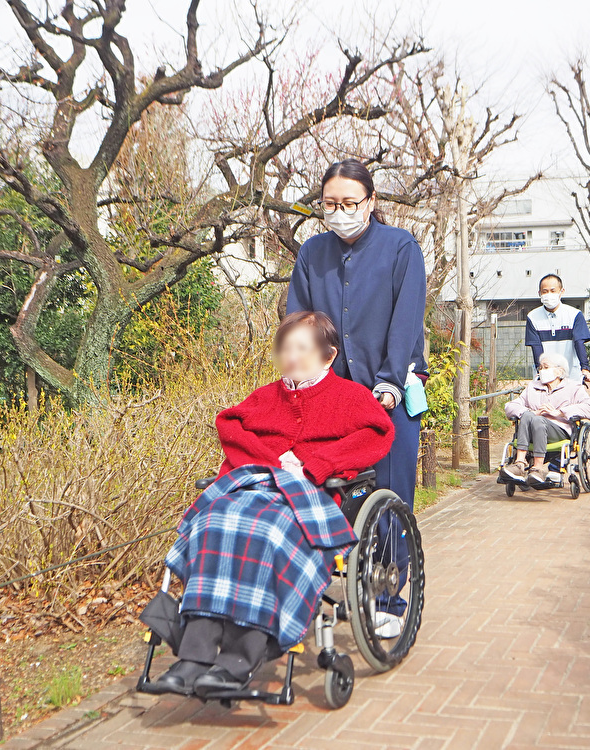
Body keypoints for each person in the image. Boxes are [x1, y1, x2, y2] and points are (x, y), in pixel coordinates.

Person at [148, 311, 394, 698]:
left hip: (310, 495)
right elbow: (228, 423)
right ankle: (193, 656)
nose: (290, 357)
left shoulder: (350, 397)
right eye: (285, 348)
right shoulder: (266, 396)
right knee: (215, 521)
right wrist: (271, 461)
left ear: (328, 356)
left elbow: (379, 432)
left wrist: (317, 464)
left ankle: (239, 660)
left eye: (301, 349)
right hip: (257, 485)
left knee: (269, 531)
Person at [286, 158, 426, 510]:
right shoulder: (312, 252)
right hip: (330, 396)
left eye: (349, 204)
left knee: (389, 498)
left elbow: (406, 323)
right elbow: (299, 322)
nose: (340, 213)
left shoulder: (401, 247)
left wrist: (390, 382)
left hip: (389, 392)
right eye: (330, 204)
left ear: (371, 200)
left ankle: (393, 549)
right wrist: (302, 378)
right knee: (326, 495)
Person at [501, 353, 590, 485]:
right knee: (528, 415)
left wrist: (560, 412)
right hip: (532, 431)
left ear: (559, 371)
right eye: (540, 368)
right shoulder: (533, 387)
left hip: (559, 431)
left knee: (538, 420)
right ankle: (520, 464)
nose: (541, 371)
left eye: (546, 367)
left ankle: (538, 468)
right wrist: (533, 412)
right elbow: (510, 406)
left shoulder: (573, 388)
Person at [524, 274, 590, 384]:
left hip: (572, 376)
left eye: (553, 291)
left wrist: (585, 368)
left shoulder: (575, 315)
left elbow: (579, 343)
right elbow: (536, 348)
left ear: (562, 291)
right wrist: (540, 371)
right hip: (546, 378)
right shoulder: (532, 317)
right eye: (545, 291)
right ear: (539, 293)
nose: (549, 294)